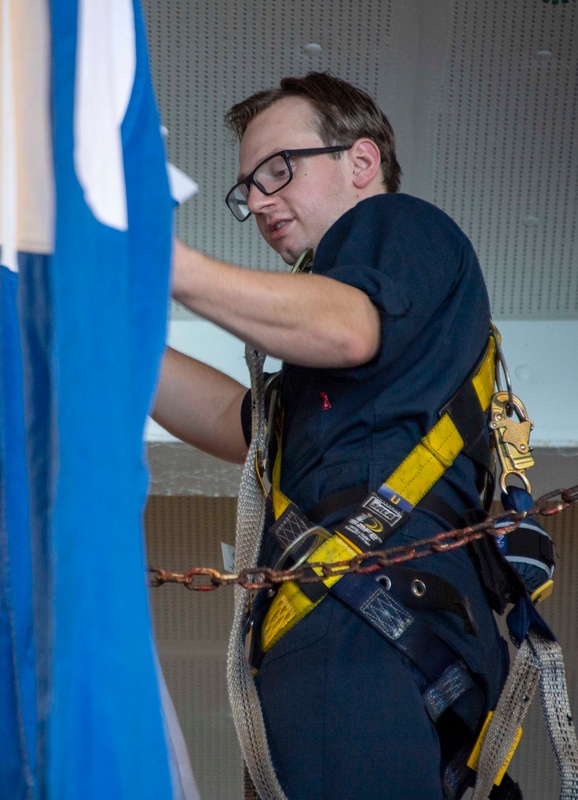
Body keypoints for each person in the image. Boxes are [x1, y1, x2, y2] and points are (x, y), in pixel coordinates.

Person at [153, 73, 509, 799]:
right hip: (380, 628)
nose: (256, 201)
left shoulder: (393, 227)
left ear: (361, 163)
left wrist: (163, 266)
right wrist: (108, 336)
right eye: (247, 188)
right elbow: (236, 424)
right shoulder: (362, 359)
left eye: (278, 170)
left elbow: (347, 327)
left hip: (361, 629)